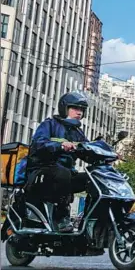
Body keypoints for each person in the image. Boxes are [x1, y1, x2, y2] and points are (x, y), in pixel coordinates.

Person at [26, 92, 90, 232]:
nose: (79, 112)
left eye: (82, 110)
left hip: (65, 172)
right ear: (64, 108)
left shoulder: (77, 132)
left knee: (92, 179)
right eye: (75, 108)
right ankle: (62, 217)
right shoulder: (49, 124)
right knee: (64, 174)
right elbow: (39, 144)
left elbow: (88, 149)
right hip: (42, 169)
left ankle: (88, 221)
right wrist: (60, 146)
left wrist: (110, 154)